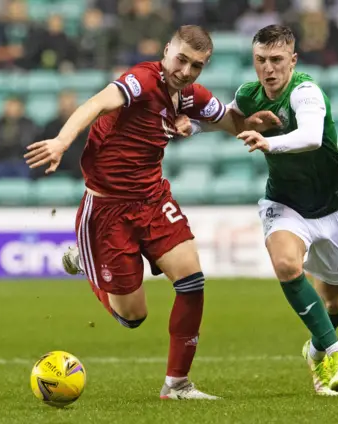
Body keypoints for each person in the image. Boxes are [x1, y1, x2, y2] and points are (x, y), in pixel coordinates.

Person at [25, 25, 278, 400]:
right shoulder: (141, 80)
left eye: (196, 66)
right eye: (181, 60)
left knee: (192, 279)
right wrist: (63, 140)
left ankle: (177, 384)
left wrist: (249, 123)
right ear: (166, 52)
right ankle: (85, 259)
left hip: (154, 200)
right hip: (108, 210)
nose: (186, 71)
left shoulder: (189, 96)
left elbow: (226, 119)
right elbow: (97, 103)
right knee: (132, 317)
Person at [175, 25, 338, 397]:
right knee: (287, 265)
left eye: (277, 60)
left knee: (334, 300)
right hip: (285, 202)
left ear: (293, 60)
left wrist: (269, 143)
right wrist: (191, 126)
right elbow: (230, 118)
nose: (268, 68)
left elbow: (310, 136)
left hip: (333, 204)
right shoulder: (250, 93)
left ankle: (317, 349)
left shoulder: (306, 92)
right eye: (260, 60)